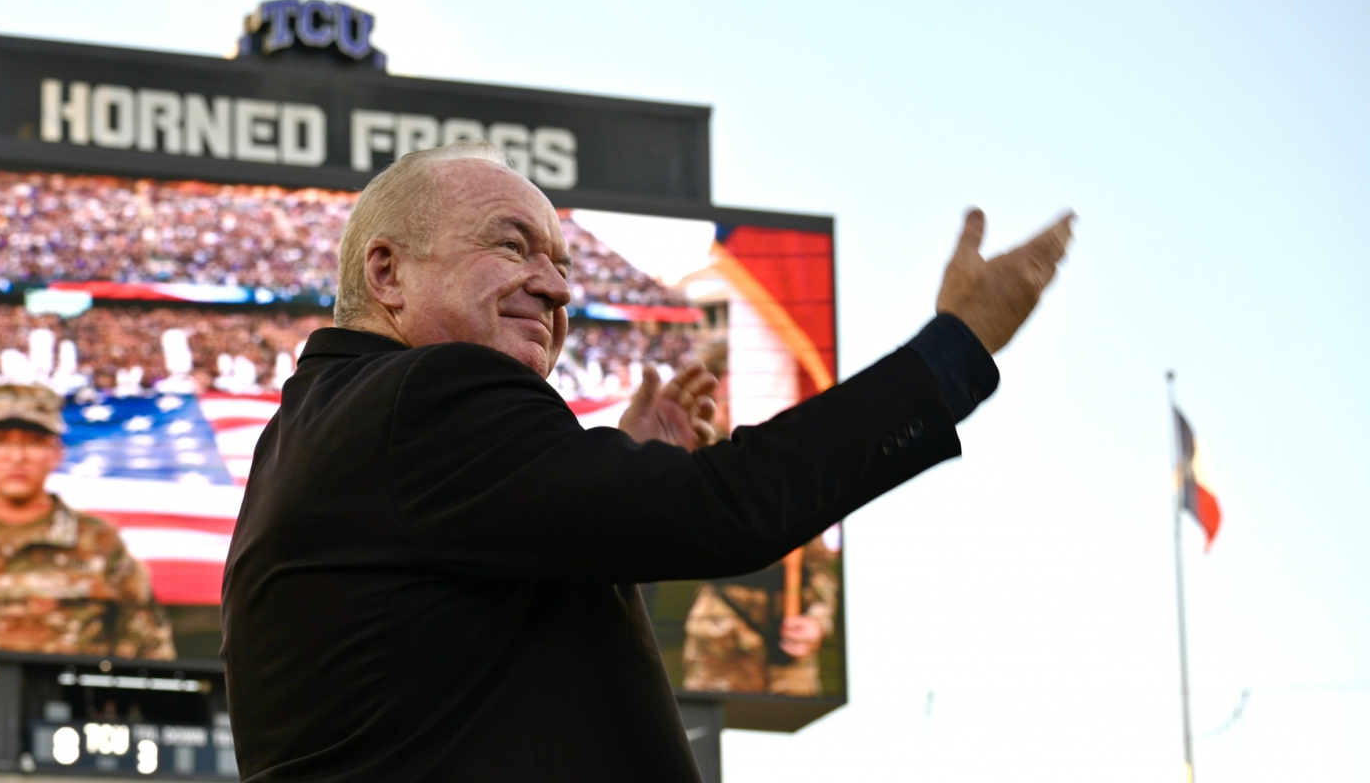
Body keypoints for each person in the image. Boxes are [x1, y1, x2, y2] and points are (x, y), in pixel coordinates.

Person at [221, 141, 1072, 781]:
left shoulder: (319, 430)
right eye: (512, 247)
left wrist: (622, 467)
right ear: (388, 272)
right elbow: (725, 509)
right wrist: (955, 352)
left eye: (559, 262)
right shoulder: (428, 395)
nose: (556, 289)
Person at [0, 383, 176, 659]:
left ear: (56, 453)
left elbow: (149, 652)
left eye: (34, 442)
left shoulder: (100, 543)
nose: (17, 457)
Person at [681, 535, 839, 697]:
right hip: (720, 639)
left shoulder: (805, 514)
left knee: (795, 716)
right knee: (714, 713)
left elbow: (822, 571)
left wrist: (818, 621)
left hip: (791, 642)